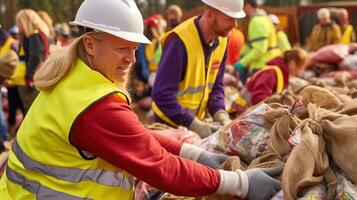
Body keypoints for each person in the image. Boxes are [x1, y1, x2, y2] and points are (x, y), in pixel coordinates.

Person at [0, 0, 282, 199]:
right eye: (123, 48)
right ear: (90, 44)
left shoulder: (75, 77)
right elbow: (161, 168)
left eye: (135, 48)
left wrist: (195, 154)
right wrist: (240, 183)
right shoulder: (94, 105)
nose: (132, 59)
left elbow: (134, 136)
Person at [152, 0, 245, 138]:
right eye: (229, 18)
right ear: (210, 15)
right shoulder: (179, 41)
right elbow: (161, 95)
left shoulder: (223, 40)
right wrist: (193, 123)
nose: (234, 25)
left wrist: (220, 113)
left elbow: (216, 86)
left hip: (195, 124)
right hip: (169, 126)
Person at [231, 47, 308, 114]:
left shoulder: (282, 74)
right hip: (242, 114)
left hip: (249, 112)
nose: (299, 72)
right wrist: (274, 112)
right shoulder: (271, 73)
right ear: (292, 63)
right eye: (300, 68)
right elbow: (258, 98)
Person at [235, 0, 281, 84]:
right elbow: (252, 45)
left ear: (248, 6)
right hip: (268, 63)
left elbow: (259, 49)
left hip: (261, 66)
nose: (242, 11)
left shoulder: (256, 21)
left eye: (242, 7)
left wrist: (242, 63)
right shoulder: (265, 18)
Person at [15, 9, 50, 114]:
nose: (17, 25)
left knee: (30, 111)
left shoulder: (34, 36)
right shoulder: (39, 34)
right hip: (36, 78)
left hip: (32, 81)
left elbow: (35, 57)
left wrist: (29, 76)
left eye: (19, 22)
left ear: (26, 21)